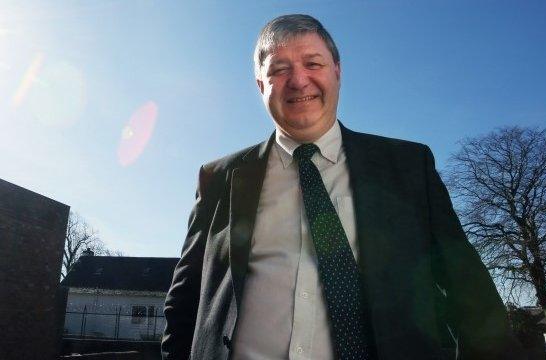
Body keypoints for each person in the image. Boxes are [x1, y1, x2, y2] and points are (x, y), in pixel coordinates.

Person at [162, 14, 525, 360]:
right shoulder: (218, 179)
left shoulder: (408, 167)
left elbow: (469, 294)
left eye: (313, 64)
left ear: (337, 71)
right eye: (280, 69)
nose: (299, 80)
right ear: (261, 86)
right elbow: (184, 303)